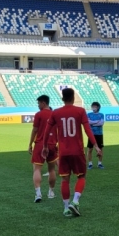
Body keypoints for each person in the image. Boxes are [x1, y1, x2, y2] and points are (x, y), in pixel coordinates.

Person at [41, 88, 100, 216]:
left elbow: (47, 131)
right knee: (81, 176)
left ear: (62, 98)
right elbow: (87, 130)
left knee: (65, 180)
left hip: (63, 152)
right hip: (77, 151)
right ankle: (75, 201)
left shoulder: (55, 113)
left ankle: (66, 209)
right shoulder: (80, 111)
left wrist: (45, 146)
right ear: (73, 98)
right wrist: (96, 145)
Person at [29, 95, 57, 203]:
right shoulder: (55, 114)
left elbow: (35, 130)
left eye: (39, 103)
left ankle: (38, 193)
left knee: (37, 169)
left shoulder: (39, 114)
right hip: (52, 144)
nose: (38, 105)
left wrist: (30, 144)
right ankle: (51, 192)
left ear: (43, 103)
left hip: (40, 144)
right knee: (52, 169)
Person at [86, 102, 105, 169]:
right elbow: (88, 122)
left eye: (95, 106)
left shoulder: (101, 114)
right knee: (90, 149)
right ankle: (90, 164)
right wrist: (97, 122)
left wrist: (92, 123)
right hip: (91, 134)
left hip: (99, 134)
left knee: (100, 149)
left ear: (98, 107)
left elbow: (101, 123)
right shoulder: (89, 114)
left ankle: (99, 163)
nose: (93, 107)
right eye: (92, 106)